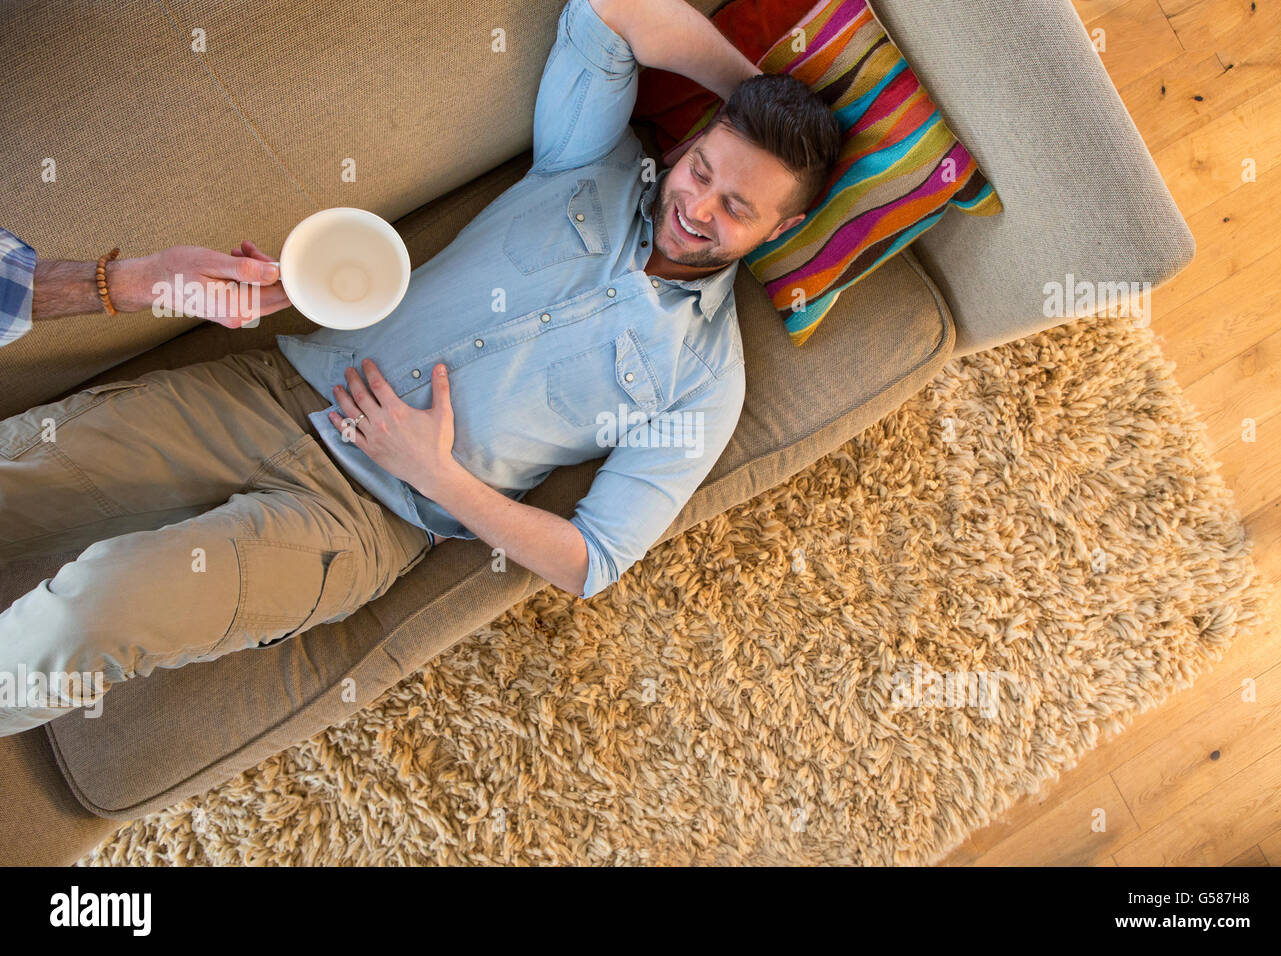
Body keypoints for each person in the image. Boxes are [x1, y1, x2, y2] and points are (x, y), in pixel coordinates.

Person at [0, 0, 840, 736]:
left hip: (358, 521)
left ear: (781, 229)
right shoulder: (592, 162)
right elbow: (611, 8)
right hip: (267, 394)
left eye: (737, 208)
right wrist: (757, 99)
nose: (697, 206)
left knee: (101, 600)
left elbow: (591, 561)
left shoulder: (706, 380)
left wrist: (438, 476)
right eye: (701, 169)